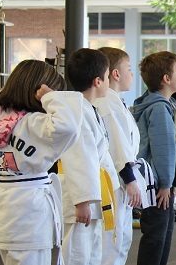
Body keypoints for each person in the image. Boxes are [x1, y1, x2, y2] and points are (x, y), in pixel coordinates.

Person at [0, 59, 83, 265]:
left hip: (3, 201)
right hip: (30, 209)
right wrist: (51, 97)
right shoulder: (32, 124)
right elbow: (70, 126)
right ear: (37, 90)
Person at [61, 48, 119, 265]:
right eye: (106, 77)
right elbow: (78, 157)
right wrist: (82, 201)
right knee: (78, 254)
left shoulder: (88, 108)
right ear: (97, 81)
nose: (107, 81)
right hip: (81, 199)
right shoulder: (79, 112)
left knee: (93, 252)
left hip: (93, 193)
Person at [133, 51, 176, 265]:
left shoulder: (157, 104)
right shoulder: (160, 109)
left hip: (156, 181)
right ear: (166, 79)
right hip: (157, 184)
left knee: (162, 233)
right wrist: (165, 183)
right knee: (157, 236)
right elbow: (163, 149)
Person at [93, 47, 143, 265]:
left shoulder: (115, 100)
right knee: (112, 241)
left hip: (118, 178)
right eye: (129, 69)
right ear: (115, 74)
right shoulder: (107, 101)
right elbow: (117, 144)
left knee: (120, 239)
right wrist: (130, 178)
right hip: (115, 179)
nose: (132, 74)